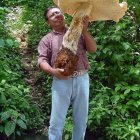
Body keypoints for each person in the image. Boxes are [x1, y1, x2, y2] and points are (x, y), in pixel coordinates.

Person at [38, 6, 97, 140]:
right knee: (56, 120)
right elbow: (42, 60)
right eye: (53, 15)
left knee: (81, 119)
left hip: (82, 79)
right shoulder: (47, 39)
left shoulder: (78, 32)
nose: (57, 15)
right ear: (48, 22)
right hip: (60, 81)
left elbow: (93, 49)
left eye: (58, 12)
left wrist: (85, 30)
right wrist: (53, 71)